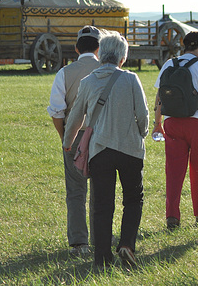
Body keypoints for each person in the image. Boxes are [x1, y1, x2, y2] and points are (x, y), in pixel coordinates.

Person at [63, 31, 149, 268]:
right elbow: (142, 115)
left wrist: (68, 141)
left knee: (102, 204)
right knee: (133, 198)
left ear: (101, 54)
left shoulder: (88, 82)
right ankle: (127, 245)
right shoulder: (131, 79)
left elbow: (75, 117)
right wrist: (141, 133)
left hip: (100, 150)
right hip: (130, 149)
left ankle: (102, 257)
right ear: (122, 58)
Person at [152, 31, 198, 230]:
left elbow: (159, 97)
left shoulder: (168, 65)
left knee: (173, 171)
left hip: (172, 122)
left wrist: (158, 123)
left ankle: (172, 216)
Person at [47, 25, 100, 256]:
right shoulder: (108, 70)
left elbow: (56, 111)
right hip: (102, 136)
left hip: (74, 135)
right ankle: (101, 237)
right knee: (101, 189)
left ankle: (79, 242)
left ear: (77, 48)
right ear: (99, 48)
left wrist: (64, 136)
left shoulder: (64, 73)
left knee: (76, 191)